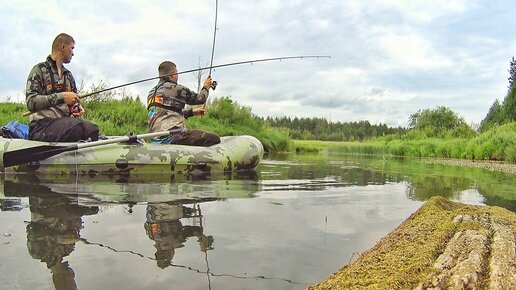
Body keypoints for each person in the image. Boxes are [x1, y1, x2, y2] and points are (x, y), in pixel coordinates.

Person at [26, 33, 99, 142]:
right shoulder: (39, 69)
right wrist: (62, 97)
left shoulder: (68, 76)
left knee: (91, 129)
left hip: (65, 124)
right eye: (72, 48)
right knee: (78, 128)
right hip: (41, 126)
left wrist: (76, 107)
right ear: (63, 47)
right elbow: (31, 102)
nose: (73, 53)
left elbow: (74, 102)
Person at [147, 61, 220, 146]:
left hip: (156, 140)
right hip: (173, 137)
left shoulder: (151, 93)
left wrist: (192, 112)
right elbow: (201, 99)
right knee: (213, 139)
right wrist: (206, 86)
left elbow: (167, 115)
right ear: (172, 74)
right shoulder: (176, 89)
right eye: (177, 73)